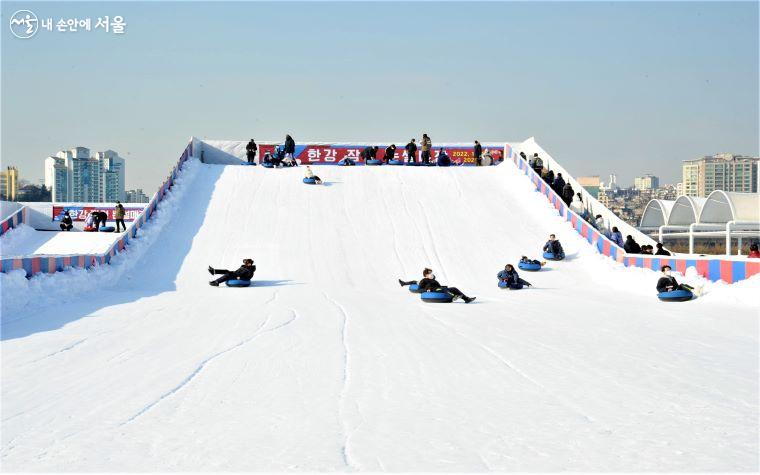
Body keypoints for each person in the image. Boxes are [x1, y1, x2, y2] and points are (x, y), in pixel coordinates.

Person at [398, 268, 475, 303]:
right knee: (444, 290)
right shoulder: (424, 280)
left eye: (431, 273)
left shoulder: (435, 280)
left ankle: (466, 299)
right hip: (432, 290)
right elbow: (419, 289)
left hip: (438, 289)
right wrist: (426, 290)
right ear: (426, 275)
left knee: (454, 288)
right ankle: (453, 296)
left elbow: (440, 287)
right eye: (430, 273)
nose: (431, 274)